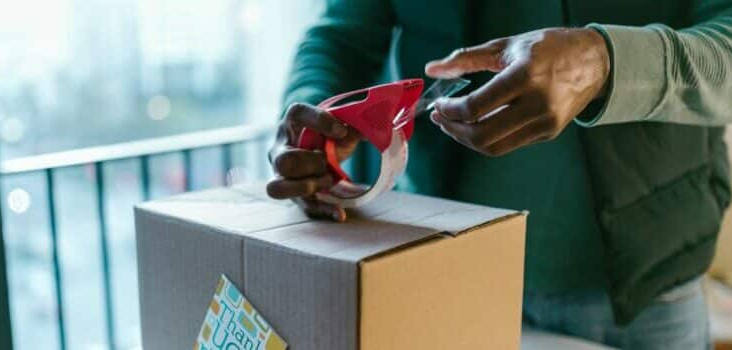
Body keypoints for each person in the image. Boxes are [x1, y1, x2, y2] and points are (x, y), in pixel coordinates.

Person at [266, 1, 732, 349]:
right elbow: (341, 36)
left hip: (645, 295)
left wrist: (608, 61)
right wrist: (312, 112)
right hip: (436, 276)